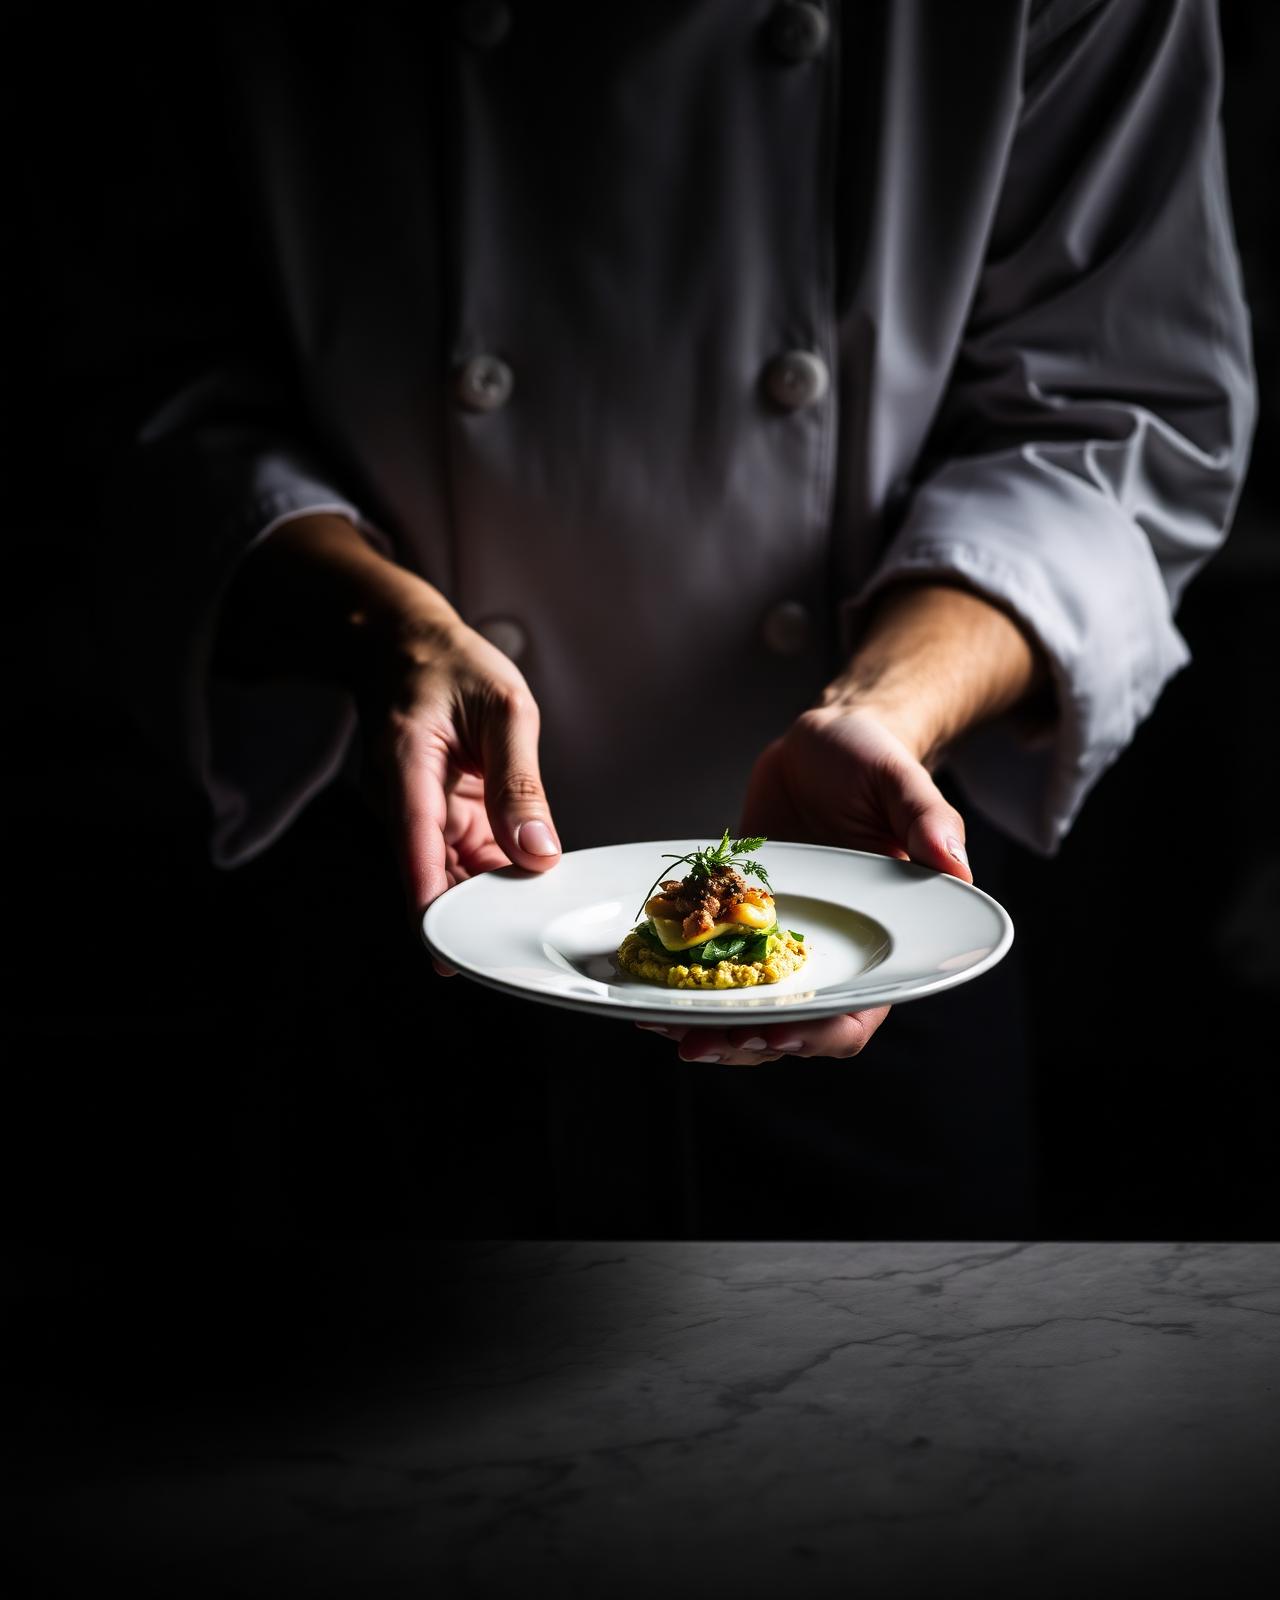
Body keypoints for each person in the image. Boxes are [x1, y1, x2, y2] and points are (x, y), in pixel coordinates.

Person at [58, 1, 1255, 1232]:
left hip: (877, 915)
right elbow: (139, 387)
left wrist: (884, 710)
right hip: (403, 890)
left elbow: (1113, 424)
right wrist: (390, 634)